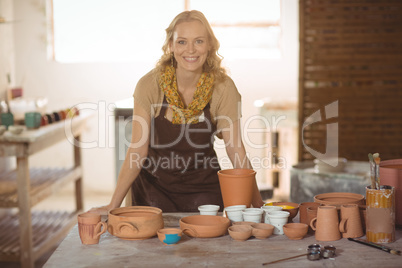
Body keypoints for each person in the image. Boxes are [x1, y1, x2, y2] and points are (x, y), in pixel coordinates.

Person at [91, 10, 263, 214]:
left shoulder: (223, 88)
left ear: (209, 45)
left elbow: (236, 150)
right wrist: (113, 205)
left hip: (204, 193)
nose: (190, 50)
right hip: (152, 192)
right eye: (182, 42)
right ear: (170, 45)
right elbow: (137, 151)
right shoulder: (150, 85)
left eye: (198, 41)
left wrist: (259, 207)